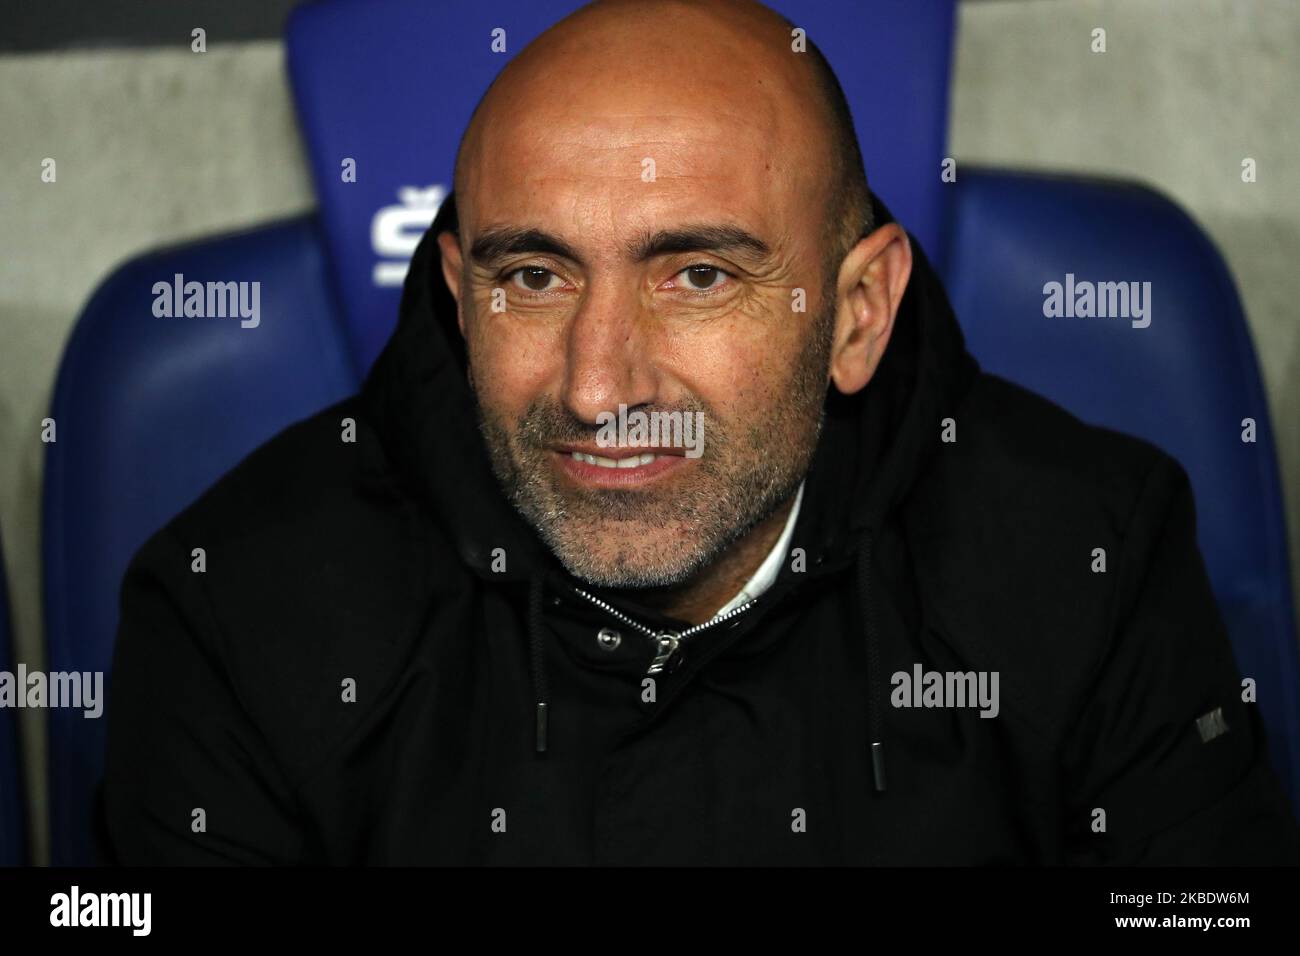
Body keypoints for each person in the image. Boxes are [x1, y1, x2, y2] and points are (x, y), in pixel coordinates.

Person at [101, 0, 1300, 864]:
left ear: (857, 312)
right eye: (533, 277)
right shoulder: (235, 604)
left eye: (699, 277)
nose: (595, 383)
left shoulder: (1087, 553)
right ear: (461, 296)